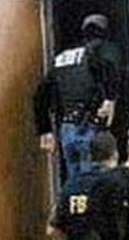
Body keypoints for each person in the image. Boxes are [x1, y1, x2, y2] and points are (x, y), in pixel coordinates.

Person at [34, 14, 123, 183]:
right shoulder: (103, 49)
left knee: (75, 184)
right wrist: (110, 99)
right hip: (91, 125)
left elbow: (40, 94)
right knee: (96, 183)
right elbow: (111, 68)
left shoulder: (62, 58)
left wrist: (45, 130)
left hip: (67, 129)